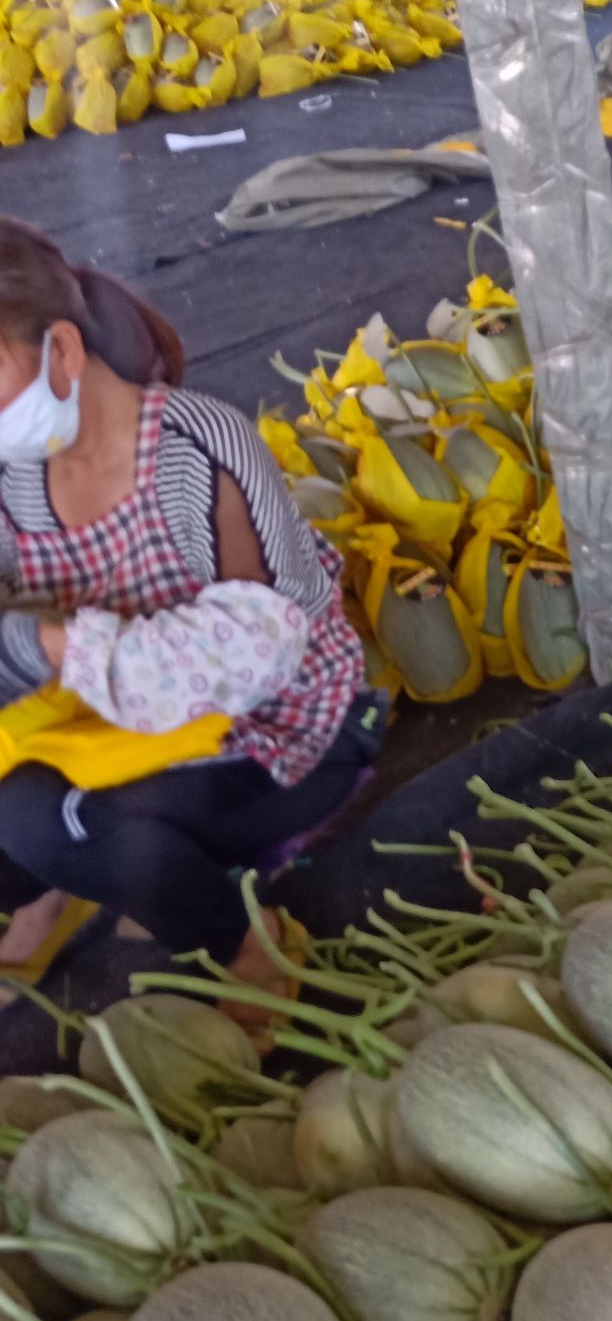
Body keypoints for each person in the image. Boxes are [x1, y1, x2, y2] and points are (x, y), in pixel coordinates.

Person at [0, 218, 379, 1016]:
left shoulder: (200, 449)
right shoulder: (13, 480)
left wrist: (57, 642)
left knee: (38, 817)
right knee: (38, 818)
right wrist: (41, 647)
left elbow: (260, 659)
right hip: (107, 725)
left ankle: (244, 944)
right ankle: (49, 892)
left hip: (280, 732)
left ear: (62, 353)